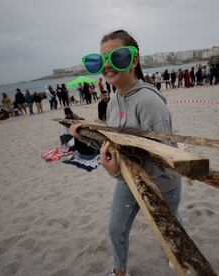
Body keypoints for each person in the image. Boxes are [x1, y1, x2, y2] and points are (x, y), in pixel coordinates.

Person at [75, 29, 182, 276]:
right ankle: (120, 271)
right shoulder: (113, 100)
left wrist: (114, 169)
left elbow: (164, 156)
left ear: (134, 60)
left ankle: (175, 252)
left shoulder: (149, 103)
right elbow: (113, 139)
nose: (108, 66)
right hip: (127, 180)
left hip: (161, 183)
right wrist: (83, 134)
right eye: (101, 60)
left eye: (117, 57)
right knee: (116, 229)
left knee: (169, 226)